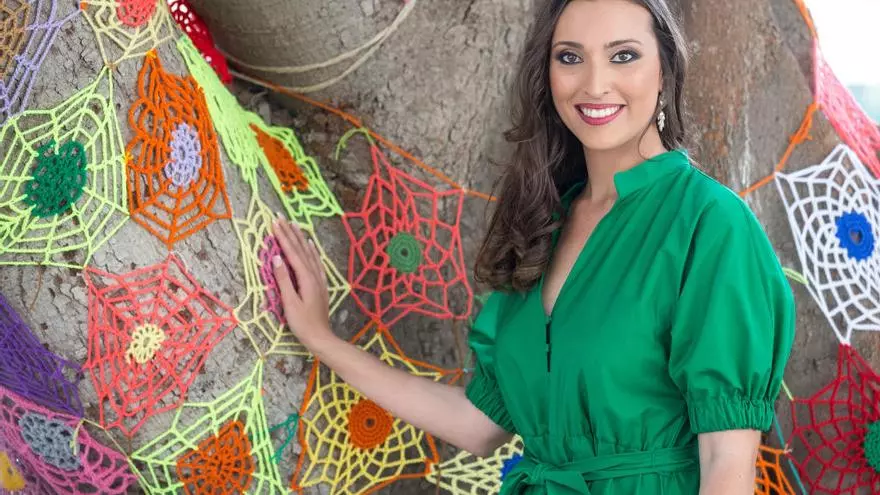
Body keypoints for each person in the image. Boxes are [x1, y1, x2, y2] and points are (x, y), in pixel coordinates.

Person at [269, 0, 796, 493]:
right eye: (570, 57)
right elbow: (479, 425)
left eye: (623, 56)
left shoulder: (710, 223)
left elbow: (726, 463)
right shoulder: (544, 223)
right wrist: (322, 340)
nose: (594, 84)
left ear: (666, 71)